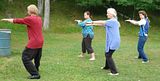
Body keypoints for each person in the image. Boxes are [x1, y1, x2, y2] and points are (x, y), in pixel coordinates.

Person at [1, 4, 44, 79]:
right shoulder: (39, 18)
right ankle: (36, 69)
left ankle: (35, 74)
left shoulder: (29, 19)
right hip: (40, 41)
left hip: (34, 41)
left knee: (25, 57)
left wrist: (7, 19)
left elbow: (18, 21)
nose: (27, 11)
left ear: (30, 11)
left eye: (28, 10)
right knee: (37, 56)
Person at [86, 8, 120, 75]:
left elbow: (102, 22)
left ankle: (114, 72)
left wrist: (92, 22)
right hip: (113, 40)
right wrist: (91, 24)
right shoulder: (112, 21)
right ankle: (107, 67)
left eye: (108, 13)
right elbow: (102, 24)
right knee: (107, 53)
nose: (106, 14)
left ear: (112, 14)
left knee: (108, 55)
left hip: (114, 41)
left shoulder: (113, 21)